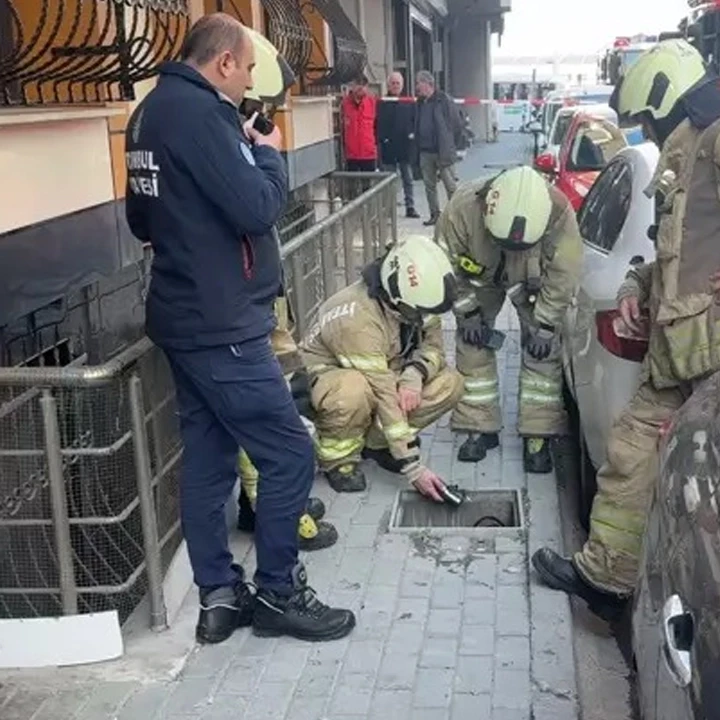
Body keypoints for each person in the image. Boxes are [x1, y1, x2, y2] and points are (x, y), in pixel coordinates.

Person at [530, 38, 720, 616]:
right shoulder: (688, 157)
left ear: (668, 102)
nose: (647, 132)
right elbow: (680, 253)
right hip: (684, 352)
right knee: (632, 450)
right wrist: (639, 288)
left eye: (647, 120)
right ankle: (606, 578)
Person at [124, 13, 355, 645]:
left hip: (184, 314)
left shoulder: (149, 113)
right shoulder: (200, 116)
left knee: (208, 460)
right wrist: (267, 155)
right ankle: (279, 593)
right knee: (288, 453)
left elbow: (140, 218)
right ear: (224, 61)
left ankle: (219, 599)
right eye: (248, 68)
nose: (251, 80)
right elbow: (257, 206)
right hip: (221, 321)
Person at [437, 166, 582, 475]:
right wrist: (466, 312)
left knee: (542, 352)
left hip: (532, 280)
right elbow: (444, 265)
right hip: (477, 277)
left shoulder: (558, 211)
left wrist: (544, 323)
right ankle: (479, 427)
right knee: (472, 343)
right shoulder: (462, 208)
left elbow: (564, 273)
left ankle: (537, 436)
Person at [299, 235, 465, 499]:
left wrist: (414, 375)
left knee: (450, 383)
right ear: (395, 298)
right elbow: (384, 393)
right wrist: (413, 468)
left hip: (382, 372)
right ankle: (338, 457)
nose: (424, 319)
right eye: (418, 314)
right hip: (330, 379)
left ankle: (376, 445)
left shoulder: (416, 301)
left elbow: (434, 350)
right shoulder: (357, 318)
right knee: (354, 389)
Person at [235, 290, 337, 552]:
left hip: (259, 320)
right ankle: (274, 517)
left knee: (274, 420)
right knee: (259, 426)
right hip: (241, 330)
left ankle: (265, 509)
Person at [415, 70, 465, 225]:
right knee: (429, 186)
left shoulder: (444, 100)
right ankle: (434, 214)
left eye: (419, 83)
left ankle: (455, 217)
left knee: (450, 186)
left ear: (427, 84)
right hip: (425, 150)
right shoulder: (420, 102)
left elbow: (456, 124)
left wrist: (451, 144)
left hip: (442, 151)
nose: (417, 87)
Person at [377, 71, 420, 219]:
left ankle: (410, 207)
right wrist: (382, 139)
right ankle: (389, 209)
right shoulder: (382, 102)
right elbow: (378, 123)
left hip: (405, 147)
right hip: (388, 147)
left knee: (408, 178)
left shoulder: (409, 101)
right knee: (389, 180)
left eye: (398, 83)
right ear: (388, 85)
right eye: (393, 83)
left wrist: (413, 135)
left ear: (402, 85)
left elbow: (415, 121)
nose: (395, 86)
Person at [341, 75, 378, 171]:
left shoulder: (373, 102)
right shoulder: (344, 104)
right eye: (358, 84)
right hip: (351, 155)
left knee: (370, 185)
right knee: (352, 185)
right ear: (352, 86)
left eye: (363, 84)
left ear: (367, 87)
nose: (360, 87)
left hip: (369, 154)